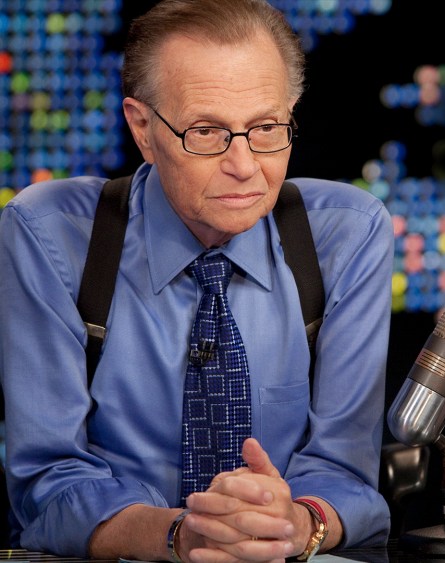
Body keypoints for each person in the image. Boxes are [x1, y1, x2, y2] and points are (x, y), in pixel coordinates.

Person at [0, 0, 393, 560]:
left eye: (266, 128)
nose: (244, 165)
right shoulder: (49, 233)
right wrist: (182, 535)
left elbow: (347, 473)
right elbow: (48, 486)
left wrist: (297, 523)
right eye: (206, 131)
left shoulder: (348, 233)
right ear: (142, 127)